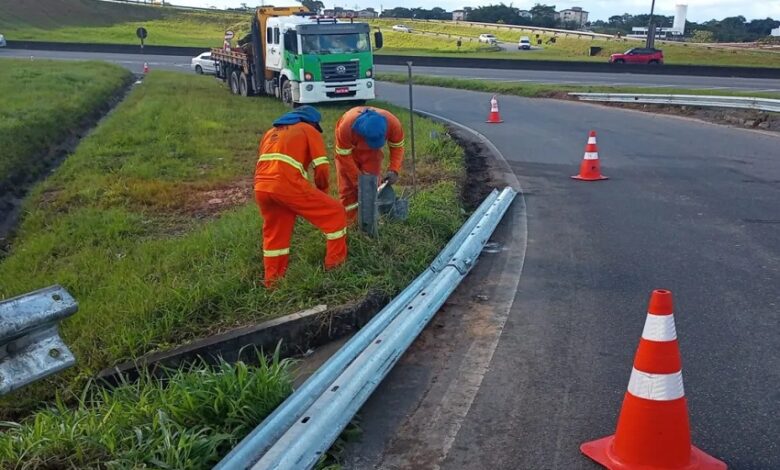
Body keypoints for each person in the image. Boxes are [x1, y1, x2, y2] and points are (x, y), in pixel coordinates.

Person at [254, 106, 347, 287]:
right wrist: (323, 192)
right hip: (287, 185)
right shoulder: (308, 130)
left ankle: (273, 283)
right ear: (312, 122)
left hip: (261, 188)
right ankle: (336, 268)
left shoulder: (270, 133)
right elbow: (321, 166)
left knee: (276, 236)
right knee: (335, 213)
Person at [333, 106, 405, 221]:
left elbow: (397, 147)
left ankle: (370, 220)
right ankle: (349, 222)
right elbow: (344, 156)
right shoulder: (346, 127)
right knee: (347, 188)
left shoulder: (393, 124)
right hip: (349, 152)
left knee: (372, 184)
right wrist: (358, 180)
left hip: (372, 154)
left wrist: (394, 169)